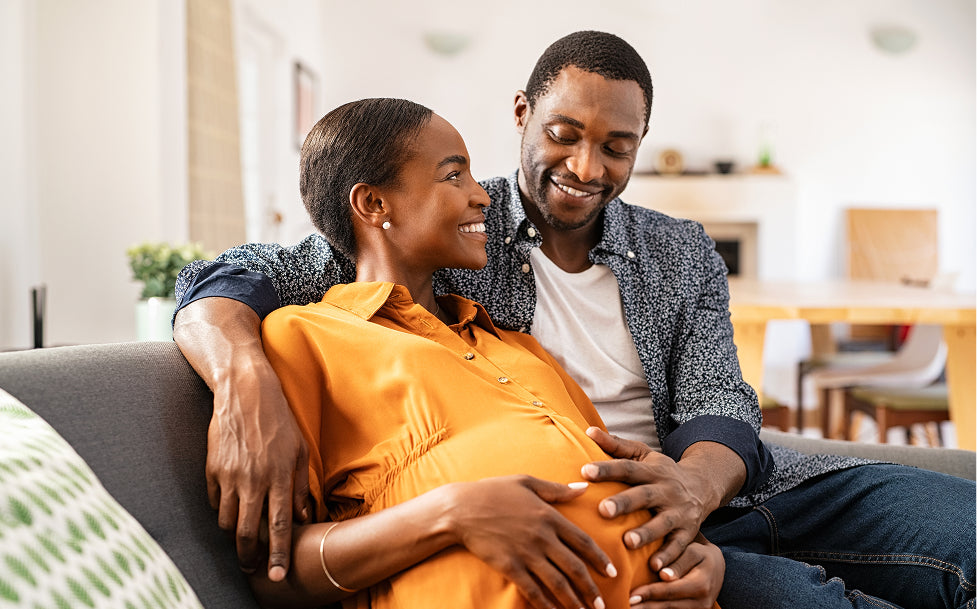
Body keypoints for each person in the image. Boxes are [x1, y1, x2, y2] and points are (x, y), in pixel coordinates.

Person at [174, 31, 975, 608]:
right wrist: (244, 375)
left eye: (616, 147)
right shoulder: (449, 226)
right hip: (625, 535)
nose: (587, 167)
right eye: (563, 134)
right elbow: (230, 275)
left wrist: (691, 488)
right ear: (521, 112)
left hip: (723, 488)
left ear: (639, 146)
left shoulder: (679, 251)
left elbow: (720, 402)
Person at [249, 96, 722, 609]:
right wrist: (450, 511)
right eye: (454, 175)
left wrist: (702, 556)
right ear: (373, 205)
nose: (482, 195)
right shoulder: (303, 337)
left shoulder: (518, 348)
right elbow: (272, 573)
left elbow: (622, 476)